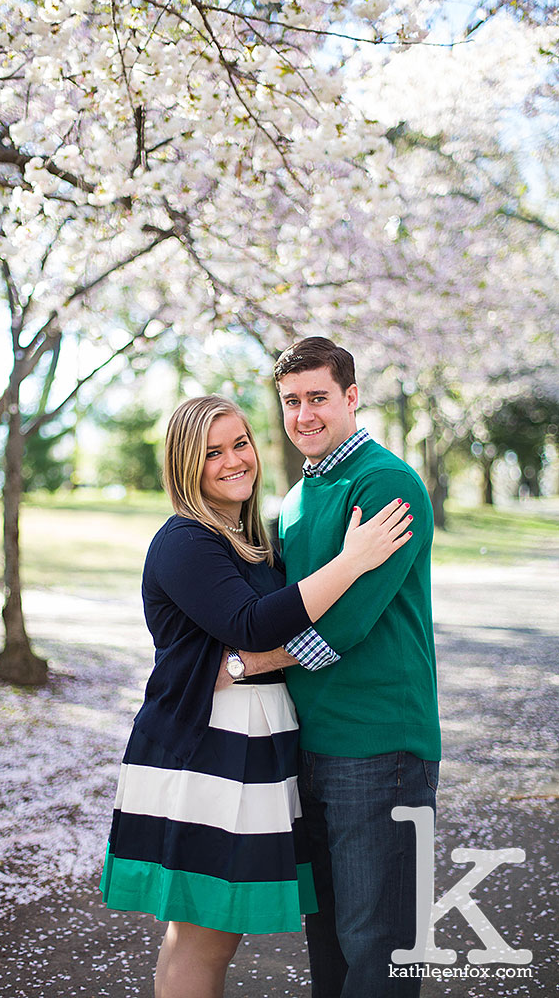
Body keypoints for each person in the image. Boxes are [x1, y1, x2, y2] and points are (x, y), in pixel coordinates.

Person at [100, 394, 414, 998]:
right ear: (185, 466)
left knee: (207, 934)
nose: (232, 461)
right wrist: (353, 562)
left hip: (246, 752)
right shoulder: (185, 539)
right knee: (202, 936)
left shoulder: (247, 537)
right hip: (205, 751)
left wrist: (248, 664)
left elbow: (257, 636)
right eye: (211, 453)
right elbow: (252, 623)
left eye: (239, 444)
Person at [230, 338, 441, 998]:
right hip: (313, 745)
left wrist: (244, 664)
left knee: (377, 946)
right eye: (290, 401)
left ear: (351, 397)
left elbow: (342, 625)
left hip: (379, 745)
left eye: (317, 398)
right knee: (328, 941)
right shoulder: (298, 497)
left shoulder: (386, 483)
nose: (303, 416)